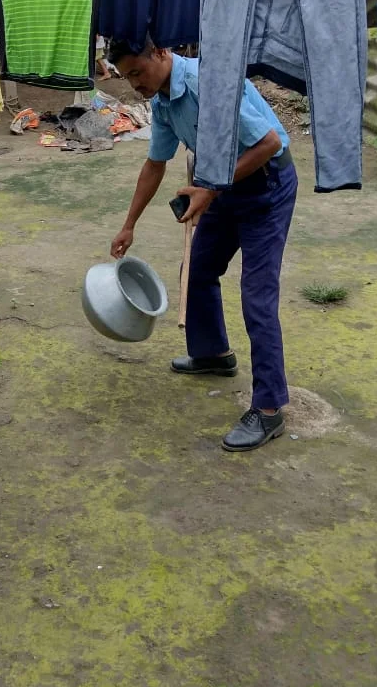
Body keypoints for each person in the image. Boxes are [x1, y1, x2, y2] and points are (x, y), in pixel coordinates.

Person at [109, 38, 297, 453]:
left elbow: (269, 143)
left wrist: (209, 187)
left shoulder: (207, 83)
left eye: (137, 72)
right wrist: (129, 225)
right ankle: (213, 354)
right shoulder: (161, 100)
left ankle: (269, 409)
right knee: (197, 270)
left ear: (159, 53)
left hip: (266, 184)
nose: (135, 84)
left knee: (257, 297)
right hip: (220, 186)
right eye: (126, 77)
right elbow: (155, 163)